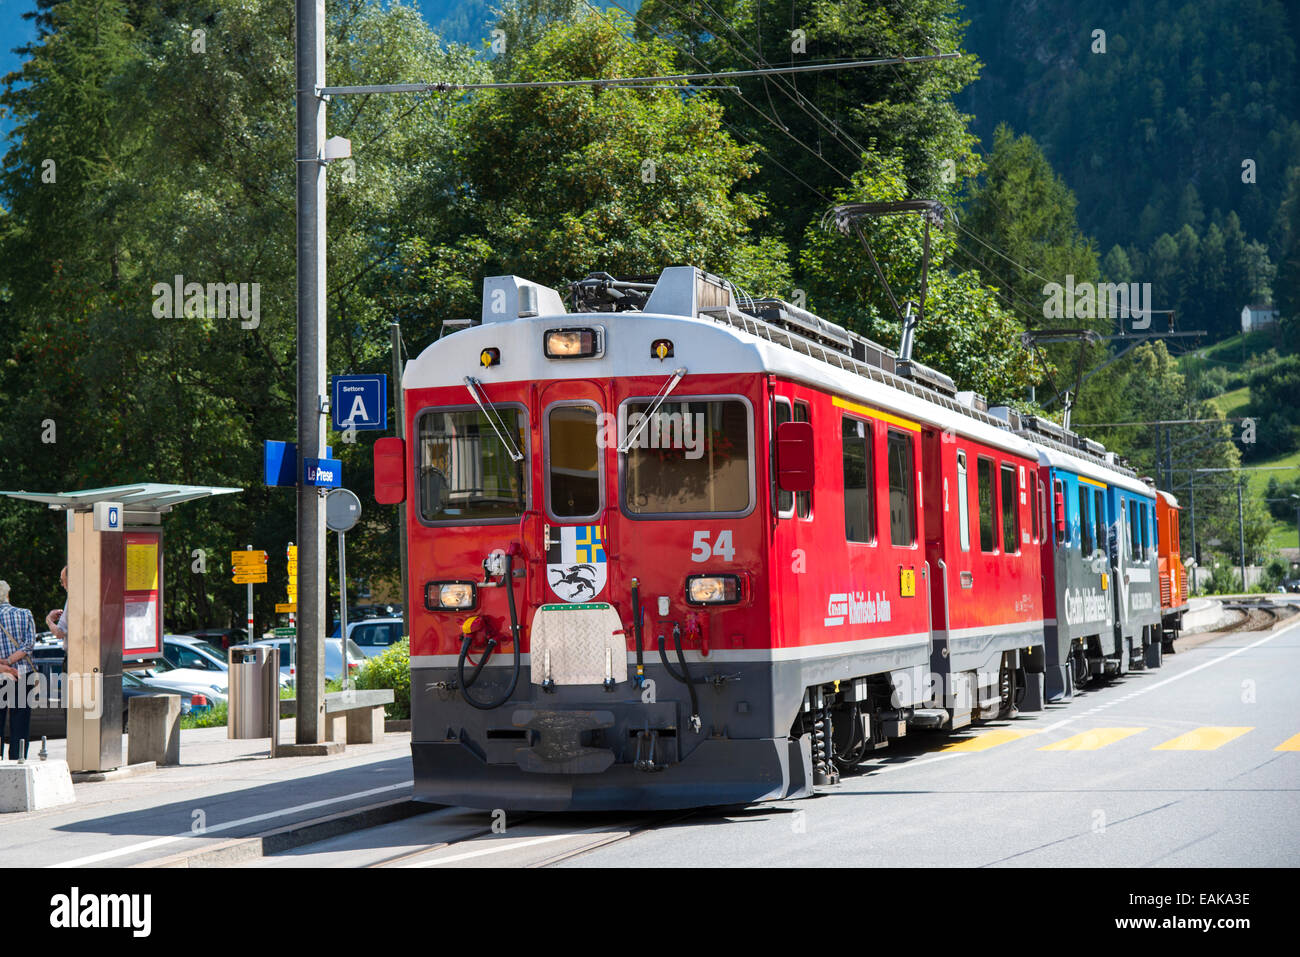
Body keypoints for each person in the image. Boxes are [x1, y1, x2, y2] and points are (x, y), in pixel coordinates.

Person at [0, 580, 37, 759]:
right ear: (8, 595)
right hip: (23, 674)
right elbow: (29, 645)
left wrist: (3, 667)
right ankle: (18, 759)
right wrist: (10, 662)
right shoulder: (24, 613)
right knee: (20, 720)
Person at [46, 565, 68, 646]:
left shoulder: (72, 600)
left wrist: (49, 620)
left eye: (62, 581)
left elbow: (59, 633)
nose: (62, 585)